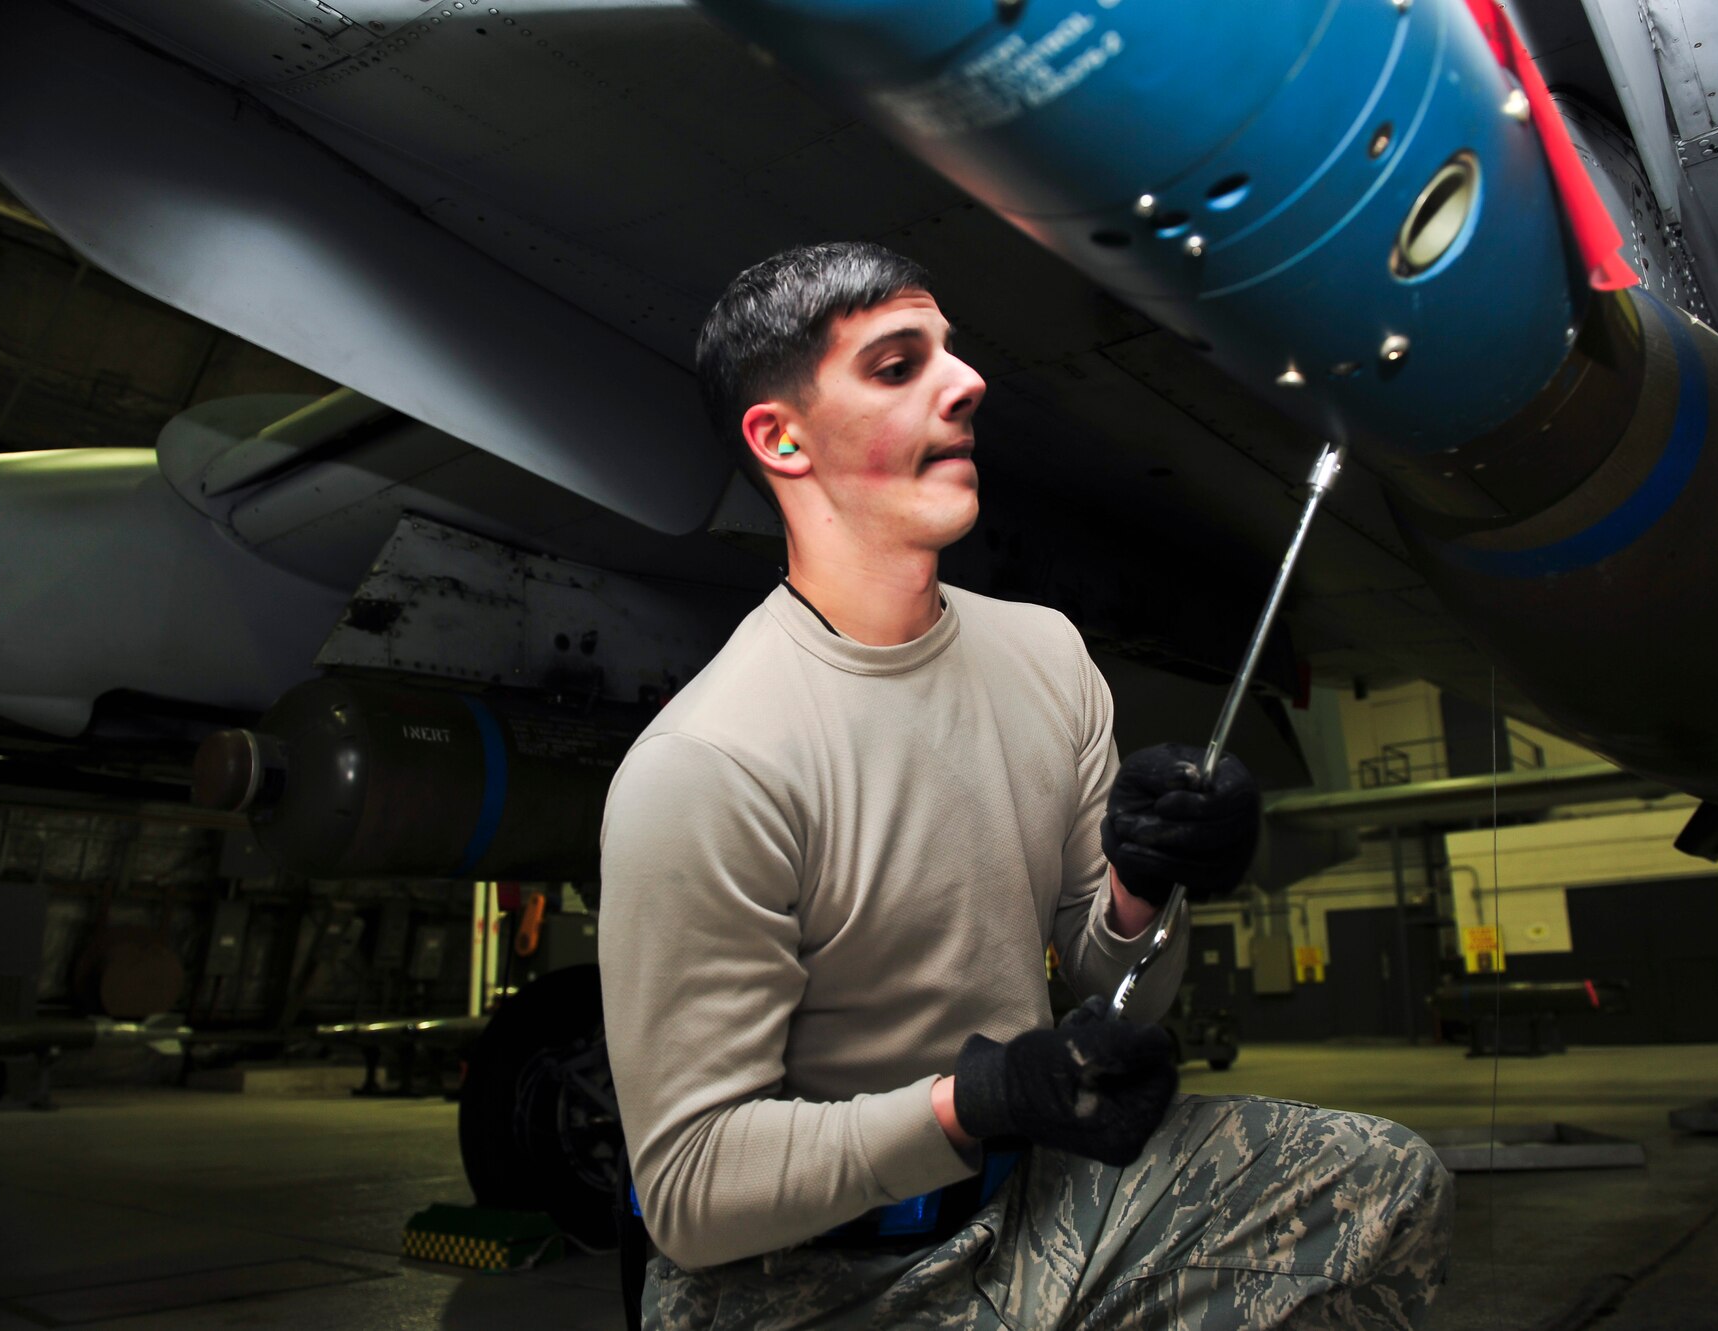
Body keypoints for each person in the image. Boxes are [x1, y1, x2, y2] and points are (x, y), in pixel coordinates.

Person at [598, 241, 1451, 1329]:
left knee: (1384, 1183)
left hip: (1032, 1198)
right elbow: (690, 1191)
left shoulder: (1046, 655)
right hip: (808, 1278)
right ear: (783, 439)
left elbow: (1116, 980)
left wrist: (1142, 887)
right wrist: (975, 1101)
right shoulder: (709, 761)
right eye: (898, 364)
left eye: (949, 350)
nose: (967, 381)